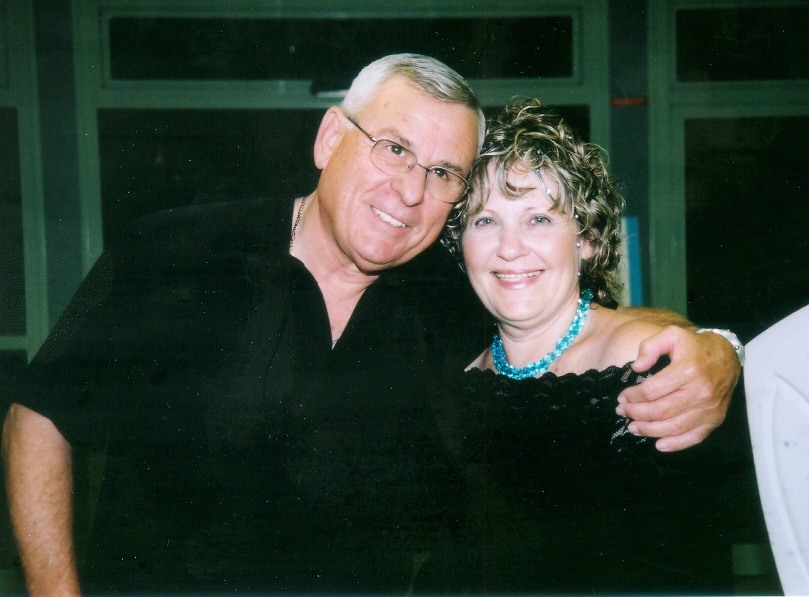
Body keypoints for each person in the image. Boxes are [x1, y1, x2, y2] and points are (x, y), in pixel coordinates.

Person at [2, 55, 739, 595]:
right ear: (331, 138)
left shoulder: (451, 299)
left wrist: (712, 350)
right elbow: (38, 417)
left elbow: (584, 320)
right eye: (394, 148)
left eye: (443, 173)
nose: (410, 190)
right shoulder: (175, 251)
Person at [438, 97, 735, 593]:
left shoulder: (647, 363)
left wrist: (725, 347)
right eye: (485, 221)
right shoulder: (458, 380)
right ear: (460, 242)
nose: (509, 248)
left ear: (587, 241)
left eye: (538, 219)